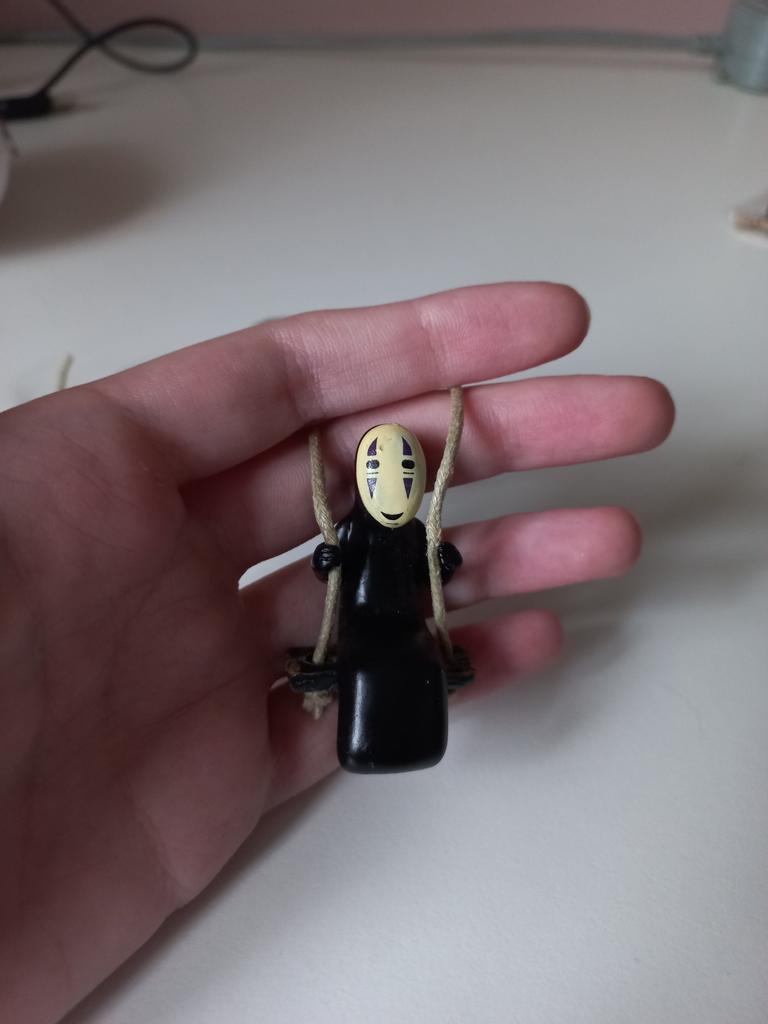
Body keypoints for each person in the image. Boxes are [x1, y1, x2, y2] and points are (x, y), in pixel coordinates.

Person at [0, 283, 674, 1023]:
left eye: (407, 477)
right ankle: (367, 713)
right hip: (363, 627)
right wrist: (333, 563)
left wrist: (439, 566)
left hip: (402, 625)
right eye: (386, 475)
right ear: (365, 480)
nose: (397, 484)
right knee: (376, 665)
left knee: (412, 662)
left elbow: (430, 569)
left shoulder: (412, 534)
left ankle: (400, 715)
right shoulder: (352, 530)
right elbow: (339, 567)